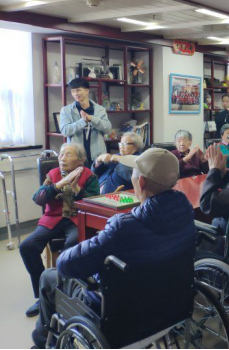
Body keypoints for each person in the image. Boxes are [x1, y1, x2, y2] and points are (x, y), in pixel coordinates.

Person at [31, 148, 195, 349]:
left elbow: (65, 265)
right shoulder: (186, 210)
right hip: (172, 307)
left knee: (48, 277)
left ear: (141, 182)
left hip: (125, 319)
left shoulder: (123, 227)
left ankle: (42, 343)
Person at [20, 143, 99, 318]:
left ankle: (68, 292)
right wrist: (59, 185)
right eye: (61, 154)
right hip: (53, 219)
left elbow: (94, 202)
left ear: (81, 160)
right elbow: (38, 199)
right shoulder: (52, 174)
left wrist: (77, 189)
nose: (62, 158)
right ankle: (43, 294)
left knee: (72, 244)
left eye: (68, 155)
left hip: (76, 219)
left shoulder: (89, 175)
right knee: (27, 246)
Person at [59, 78, 112, 165]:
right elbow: (65, 131)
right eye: (73, 91)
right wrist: (82, 122)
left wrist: (92, 119)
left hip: (97, 156)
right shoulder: (66, 110)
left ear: (87, 91)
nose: (75, 94)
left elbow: (107, 127)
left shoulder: (99, 109)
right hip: (76, 156)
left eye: (78, 90)